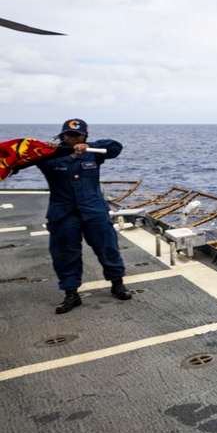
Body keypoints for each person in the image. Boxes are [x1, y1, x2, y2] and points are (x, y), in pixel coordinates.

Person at [36, 119, 132, 314]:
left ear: (84, 136)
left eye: (77, 135)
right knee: (65, 253)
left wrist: (90, 146)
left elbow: (115, 147)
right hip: (63, 213)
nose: (72, 138)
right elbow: (21, 157)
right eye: (69, 134)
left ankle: (117, 284)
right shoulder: (48, 157)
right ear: (62, 135)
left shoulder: (93, 154)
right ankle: (71, 294)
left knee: (108, 248)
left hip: (94, 210)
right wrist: (42, 148)